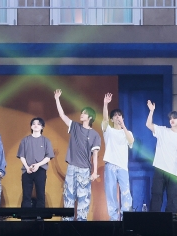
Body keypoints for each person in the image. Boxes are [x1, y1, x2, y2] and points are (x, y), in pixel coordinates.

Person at [54, 89, 101, 221]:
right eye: (82, 112)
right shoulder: (75, 126)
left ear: (90, 117)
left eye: (84, 113)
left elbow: (95, 155)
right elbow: (62, 115)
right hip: (72, 167)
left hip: (85, 170)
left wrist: (94, 172)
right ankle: (66, 226)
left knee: (83, 200)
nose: (81, 114)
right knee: (68, 197)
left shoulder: (95, 135)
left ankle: (81, 226)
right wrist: (57, 99)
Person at [145, 101, 177, 212]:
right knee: (156, 196)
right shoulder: (163, 130)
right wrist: (151, 111)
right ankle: (154, 222)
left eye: (175, 118)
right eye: (170, 118)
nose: (172, 120)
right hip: (160, 168)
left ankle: (170, 223)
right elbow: (148, 125)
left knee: (173, 199)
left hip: (173, 172)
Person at [101, 93, 134, 221]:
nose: (117, 117)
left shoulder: (127, 132)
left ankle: (126, 219)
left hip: (122, 167)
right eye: (115, 116)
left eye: (119, 115)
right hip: (110, 165)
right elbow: (104, 120)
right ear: (112, 119)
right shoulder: (108, 130)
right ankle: (114, 219)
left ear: (123, 118)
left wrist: (123, 126)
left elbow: (131, 141)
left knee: (126, 193)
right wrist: (105, 104)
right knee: (111, 194)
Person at [17, 117, 55, 208]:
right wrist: (27, 167)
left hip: (41, 170)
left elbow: (49, 156)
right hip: (27, 170)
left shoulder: (46, 141)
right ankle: (26, 219)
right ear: (31, 126)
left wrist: (38, 165)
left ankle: (40, 219)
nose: (36, 125)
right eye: (34, 124)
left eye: (38, 124)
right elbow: (21, 156)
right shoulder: (25, 140)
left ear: (42, 127)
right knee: (26, 195)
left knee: (40, 195)